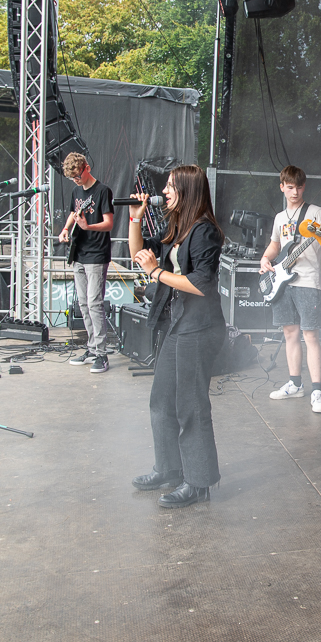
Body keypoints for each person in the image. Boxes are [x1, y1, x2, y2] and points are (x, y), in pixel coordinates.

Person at [127, 165, 227, 509]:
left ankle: (198, 483)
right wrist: (135, 218)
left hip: (200, 328)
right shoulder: (177, 226)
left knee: (191, 406)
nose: (164, 191)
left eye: (171, 186)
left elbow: (201, 284)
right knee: (161, 400)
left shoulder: (204, 231)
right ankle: (169, 469)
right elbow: (138, 254)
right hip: (178, 323)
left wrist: (156, 272)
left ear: (188, 190)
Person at [260, 165, 321, 413]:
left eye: (299, 187)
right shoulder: (280, 218)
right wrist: (265, 258)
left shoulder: (316, 213)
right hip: (282, 281)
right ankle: (295, 384)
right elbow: (275, 245)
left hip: (308, 280)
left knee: (311, 336)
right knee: (290, 334)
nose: (295, 192)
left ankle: (317, 390)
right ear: (282, 187)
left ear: (304, 187)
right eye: (290, 187)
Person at [58, 153, 114, 374]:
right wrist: (65, 229)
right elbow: (74, 213)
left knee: (94, 303)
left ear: (87, 168)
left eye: (78, 176)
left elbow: (109, 224)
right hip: (79, 253)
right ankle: (91, 349)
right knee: (83, 304)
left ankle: (102, 353)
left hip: (97, 254)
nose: (76, 180)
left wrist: (88, 227)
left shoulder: (103, 191)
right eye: (72, 178)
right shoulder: (76, 191)